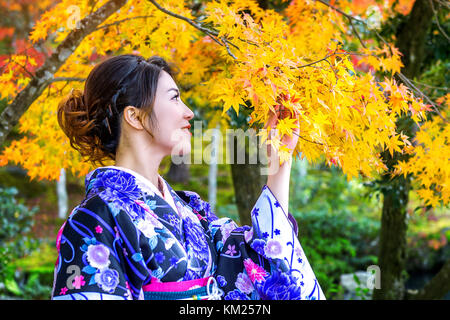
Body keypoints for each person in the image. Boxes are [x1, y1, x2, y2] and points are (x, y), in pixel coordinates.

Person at [51, 54, 325, 300]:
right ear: (135, 117)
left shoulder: (191, 210)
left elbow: (256, 259)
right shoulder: (94, 219)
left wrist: (279, 161)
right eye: (174, 97)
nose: (188, 112)